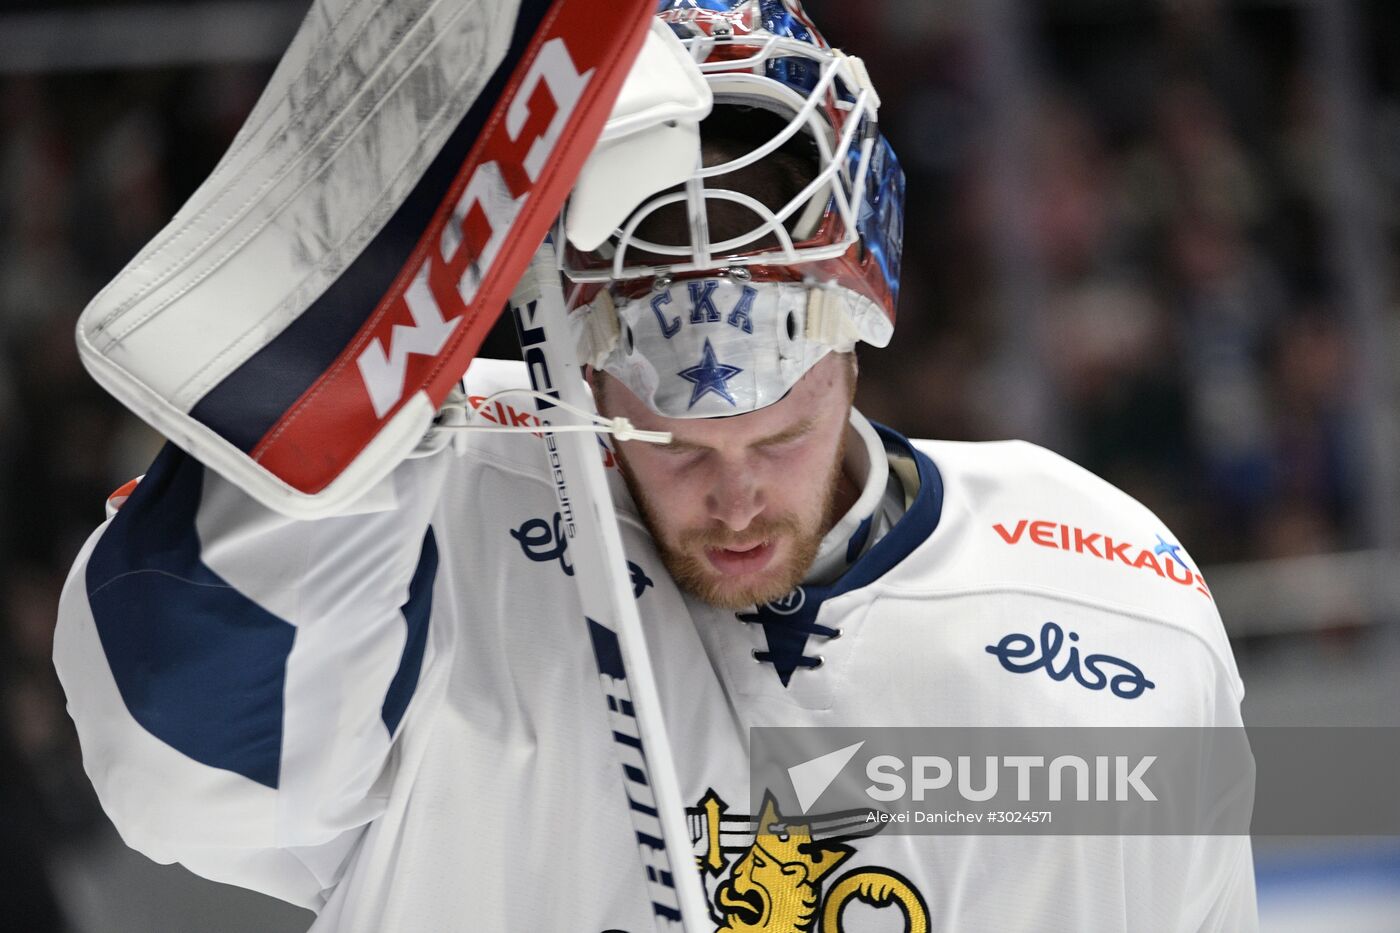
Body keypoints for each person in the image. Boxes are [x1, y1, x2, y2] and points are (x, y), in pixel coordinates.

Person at [54, 2, 1256, 930]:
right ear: (567, 354)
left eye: (776, 436)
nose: (732, 494)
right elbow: (177, 773)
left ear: (854, 344)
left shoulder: (1098, 584)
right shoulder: (428, 491)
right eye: (670, 444)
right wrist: (369, 321)